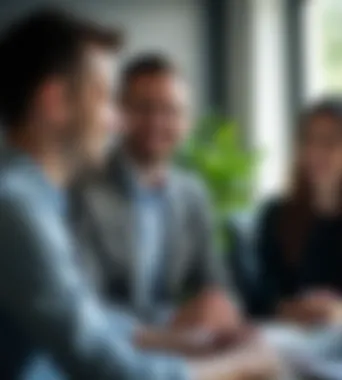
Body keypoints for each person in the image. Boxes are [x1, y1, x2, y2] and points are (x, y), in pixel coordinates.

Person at [0, 7, 278, 380]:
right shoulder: (16, 206)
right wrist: (239, 365)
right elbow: (111, 370)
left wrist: (176, 341)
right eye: (104, 98)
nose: (116, 121)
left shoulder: (35, 199)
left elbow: (85, 320)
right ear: (55, 102)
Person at [71, 54, 240, 329]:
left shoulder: (192, 194)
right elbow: (84, 308)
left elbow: (218, 285)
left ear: (185, 122)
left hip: (179, 345)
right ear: (119, 113)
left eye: (171, 111)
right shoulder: (83, 190)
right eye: (144, 108)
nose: (157, 122)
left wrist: (219, 308)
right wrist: (171, 322)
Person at [250, 96, 342, 324]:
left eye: (330, 143)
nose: (316, 152)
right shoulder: (277, 216)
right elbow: (258, 295)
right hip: (293, 336)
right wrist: (291, 308)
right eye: (308, 141)